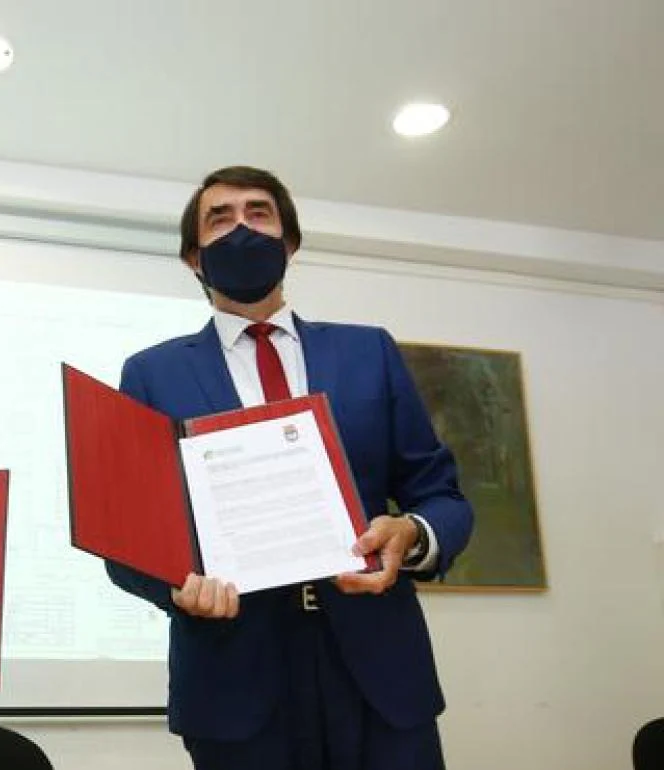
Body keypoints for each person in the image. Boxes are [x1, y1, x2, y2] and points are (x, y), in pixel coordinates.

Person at [106, 166, 473, 770]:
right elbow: (126, 535)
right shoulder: (150, 374)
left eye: (259, 214)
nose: (241, 229)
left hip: (379, 668)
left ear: (289, 243)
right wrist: (177, 586)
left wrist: (409, 533)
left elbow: (442, 495)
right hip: (232, 679)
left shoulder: (368, 351)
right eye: (219, 219)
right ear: (194, 259)